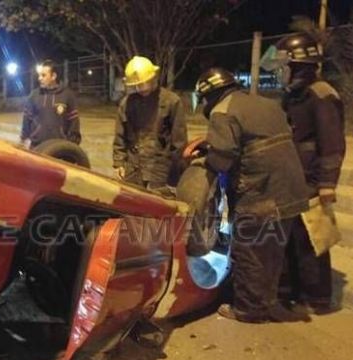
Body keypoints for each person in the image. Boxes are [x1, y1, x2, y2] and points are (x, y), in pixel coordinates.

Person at [192, 67, 310, 323]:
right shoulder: (266, 103)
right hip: (291, 190)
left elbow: (223, 158)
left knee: (248, 250)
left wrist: (204, 158)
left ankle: (248, 310)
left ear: (209, 94)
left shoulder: (222, 111)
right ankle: (271, 302)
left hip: (261, 193)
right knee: (273, 252)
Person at [264, 32, 346, 314]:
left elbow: (332, 144)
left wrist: (327, 184)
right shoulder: (294, 96)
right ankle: (289, 293)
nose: (280, 72)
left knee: (311, 240)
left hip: (311, 180)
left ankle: (318, 298)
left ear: (299, 65)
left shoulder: (321, 95)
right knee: (289, 238)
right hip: (292, 178)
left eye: (284, 66)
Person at [112, 56, 187, 192]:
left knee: (158, 208)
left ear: (153, 78)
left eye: (142, 83)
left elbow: (179, 142)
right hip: (134, 168)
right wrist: (119, 163)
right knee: (132, 206)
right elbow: (120, 137)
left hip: (160, 169)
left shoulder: (171, 102)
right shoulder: (127, 104)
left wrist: (174, 172)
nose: (139, 88)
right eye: (136, 85)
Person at [20, 60, 81, 149]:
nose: (39, 78)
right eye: (39, 75)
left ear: (53, 76)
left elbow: (74, 122)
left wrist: (72, 146)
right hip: (36, 147)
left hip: (60, 148)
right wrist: (24, 139)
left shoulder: (68, 95)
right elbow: (26, 119)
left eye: (43, 75)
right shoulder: (34, 95)